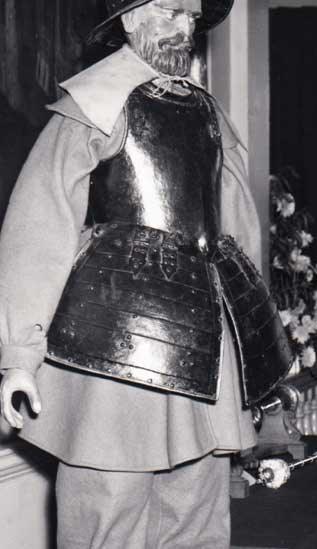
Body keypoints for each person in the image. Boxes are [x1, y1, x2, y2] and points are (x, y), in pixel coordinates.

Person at [0, 1, 293, 546]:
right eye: (168, 9)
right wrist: (20, 353)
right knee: (107, 522)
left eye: (190, 15)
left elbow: (238, 237)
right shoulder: (94, 101)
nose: (183, 27)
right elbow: (38, 227)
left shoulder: (205, 111)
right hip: (110, 353)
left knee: (197, 519)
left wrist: (251, 353)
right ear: (129, 19)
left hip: (202, 357)